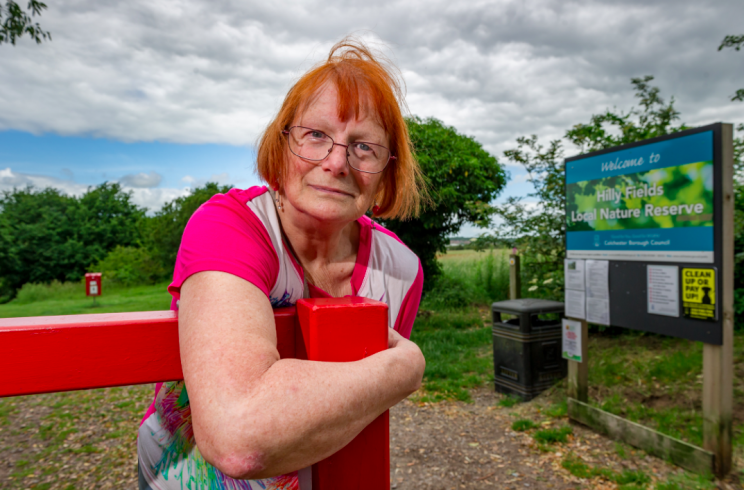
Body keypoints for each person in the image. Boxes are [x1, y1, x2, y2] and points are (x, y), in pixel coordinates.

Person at [137, 38, 427, 490]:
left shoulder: (402, 270)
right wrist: (405, 369)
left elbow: (361, 407)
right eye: (316, 135)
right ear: (282, 143)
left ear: (387, 171)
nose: (336, 162)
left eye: (364, 147)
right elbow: (239, 435)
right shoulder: (230, 226)